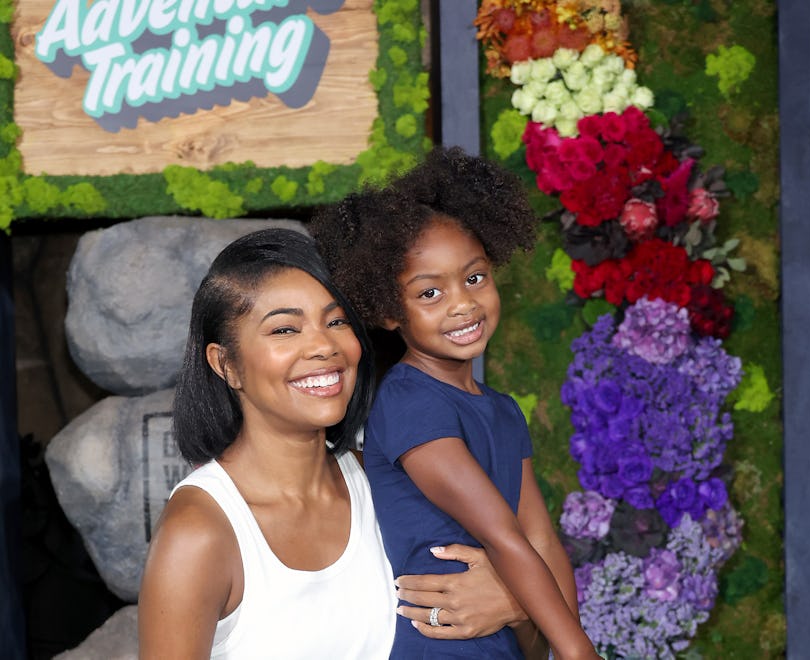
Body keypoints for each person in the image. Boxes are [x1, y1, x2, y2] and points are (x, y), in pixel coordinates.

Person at [137, 227, 537, 659]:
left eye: (336, 321)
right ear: (225, 363)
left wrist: (514, 606)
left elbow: (524, 649)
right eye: (285, 330)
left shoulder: (385, 482)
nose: (324, 346)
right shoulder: (200, 532)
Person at [310, 146, 600, 659]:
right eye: (429, 294)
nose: (463, 303)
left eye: (474, 277)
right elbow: (503, 535)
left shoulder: (503, 409)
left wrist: (553, 652)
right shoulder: (407, 400)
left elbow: (542, 540)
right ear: (388, 311)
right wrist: (580, 653)